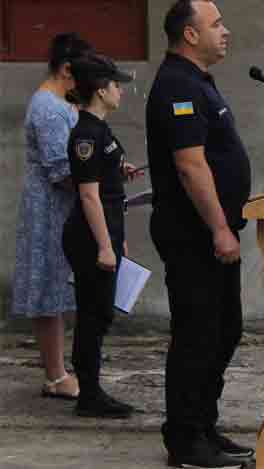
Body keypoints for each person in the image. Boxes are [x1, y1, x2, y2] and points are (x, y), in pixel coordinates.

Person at [146, 0, 253, 469]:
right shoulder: (176, 86)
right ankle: (185, 442)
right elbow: (191, 167)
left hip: (214, 234)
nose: (225, 31)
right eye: (216, 23)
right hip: (195, 236)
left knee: (224, 330)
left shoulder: (198, 83)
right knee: (197, 334)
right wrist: (219, 228)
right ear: (190, 34)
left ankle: (203, 425)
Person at [12, 33, 92, 401]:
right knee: (47, 291)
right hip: (48, 209)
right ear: (66, 69)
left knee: (59, 291)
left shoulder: (62, 102)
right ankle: (56, 375)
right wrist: (97, 184)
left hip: (61, 208)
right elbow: (61, 169)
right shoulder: (48, 107)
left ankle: (60, 370)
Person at [63, 53, 142, 417]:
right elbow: (87, 194)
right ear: (99, 90)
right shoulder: (86, 135)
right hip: (91, 237)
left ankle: (91, 390)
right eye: (115, 85)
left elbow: (101, 179)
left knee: (100, 314)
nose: (120, 91)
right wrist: (105, 246)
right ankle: (89, 395)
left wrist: (118, 168)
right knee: (93, 315)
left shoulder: (100, 129)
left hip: (106, 229)